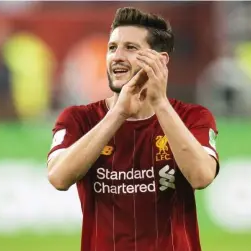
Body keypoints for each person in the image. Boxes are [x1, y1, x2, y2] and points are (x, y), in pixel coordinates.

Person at [47, 7, 219, 251]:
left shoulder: (193, 117)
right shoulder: (79, 119)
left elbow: (201, 176)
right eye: (112, 47)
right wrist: (118, 113)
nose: (117, 56)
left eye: (130, 48)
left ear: (160, 61)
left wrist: (160, 103)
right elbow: (58, 177)